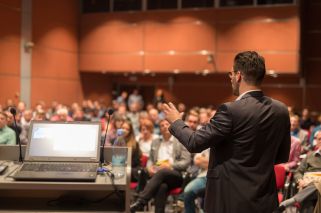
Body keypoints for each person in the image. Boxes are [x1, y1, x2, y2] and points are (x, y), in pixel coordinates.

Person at [163, 51, 291, 213]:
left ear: (238, 76)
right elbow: (281, 156)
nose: (230, 78)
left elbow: (194, 143)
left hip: (229, 200)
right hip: (265, 199)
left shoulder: (230, 110)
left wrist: (176, 121)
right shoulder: (281, 110)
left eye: (231, 73)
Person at [130, 119, 191, 213]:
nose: (165, 126)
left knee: (163, 171)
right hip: (158, 176)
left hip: (176, 175)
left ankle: (141, 201)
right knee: (162, 187)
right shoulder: (156, 142)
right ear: (160, 129)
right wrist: (150, 167)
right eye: (162, 125)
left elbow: (186, 161)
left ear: (172, 127)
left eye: (167, 124)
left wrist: (170, 166)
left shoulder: (180, 141)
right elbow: (151, 160)